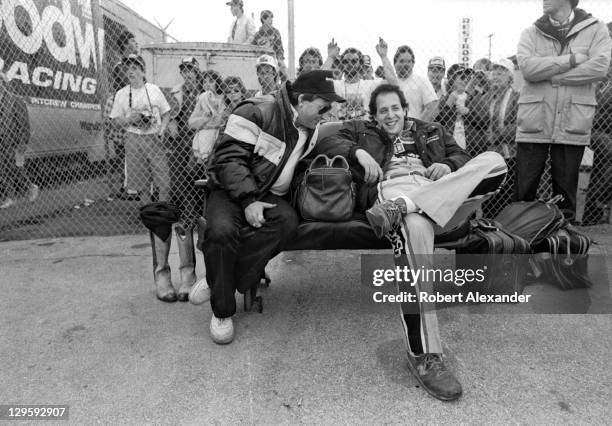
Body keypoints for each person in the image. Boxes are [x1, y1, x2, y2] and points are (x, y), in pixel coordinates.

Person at [318, 83, 507, 401]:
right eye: (382, 111)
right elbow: (326, 137)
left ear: (405, 108)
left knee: (495, 162)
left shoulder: (431, 129)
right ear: (374, 116)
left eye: (395, 108)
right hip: (392, 188)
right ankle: (425, 354)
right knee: (416, 229)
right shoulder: (362, 130)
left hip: (437, 191)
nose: (390, 115)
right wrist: (358, 151)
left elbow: (461, 155)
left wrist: (448, 166)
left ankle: (405, 208)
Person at [202, 70, 345, 344]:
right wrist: (248, 201)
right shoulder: (256, 110)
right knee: (221, 232)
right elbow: (229, 160)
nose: (326, 115)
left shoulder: (309, 126)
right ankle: (222, 311)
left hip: (269, 194)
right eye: (323, 108)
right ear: (302, 100)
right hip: (231, 190)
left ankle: (219, 281)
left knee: (287, 223)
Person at [515, 0, 612, 218]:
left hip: (572, 122)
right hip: (534, 121)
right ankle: (520, 245)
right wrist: (571, 60)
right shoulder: (530, 32)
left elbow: (599, 67)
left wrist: (556, 76)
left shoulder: (595, 29)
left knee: (566, 196)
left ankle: (562, 246)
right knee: (523, 193)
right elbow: (528, 69)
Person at [110, 55, 173, 300]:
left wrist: (162, 128)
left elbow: (166, 113)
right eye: (129, 68)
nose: (132, 72)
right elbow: (116, 121)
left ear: (143, 71)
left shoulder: (154, 90)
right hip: (133, 138)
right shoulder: (121, 94)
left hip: (153, 137)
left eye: (136, 68)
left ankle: (163, 213)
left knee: (163, 181)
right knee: (140, 184)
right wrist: (130, 119)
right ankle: (150, 217)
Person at [159, 57, 205, 301]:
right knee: (183, 207)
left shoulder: (206, 90)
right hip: (180, 153)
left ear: (197, 71)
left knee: (203, 206)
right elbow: (168, 118)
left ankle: (209, 275)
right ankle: (187, 276)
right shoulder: (174, 93)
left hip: (200, 151)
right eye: (185, 70)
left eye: (191, 70)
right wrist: (172, 123)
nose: (188, 74)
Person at [470, 59, 520, 217]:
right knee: (490, 195)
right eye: (494, 72)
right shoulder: (486, 97)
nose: (496, 76)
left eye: (501, 72)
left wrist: (496, 137)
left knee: (506, 194)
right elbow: (477, 118)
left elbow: (518, 126)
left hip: (510, 155)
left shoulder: (516, 97)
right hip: (490, 155)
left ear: (510, 77)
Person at [323, 38, 394, 120]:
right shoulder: (336, 85)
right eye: (346, 61)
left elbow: (393, 83)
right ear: (342, 65)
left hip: (365, 129)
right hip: (341, 129)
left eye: (354, 61)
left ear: (360, 64)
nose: (350, 64)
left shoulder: (370, 84)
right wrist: (330, 57)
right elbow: (317, 80)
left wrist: (384, 56)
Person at [583, 24, 612, 225]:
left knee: (606, 154)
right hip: (591, 130)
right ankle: (593, 206)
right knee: (600, 157)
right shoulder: (597, 82)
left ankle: (597, 200)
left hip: (602, 132)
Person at [0, 72, 38, 209]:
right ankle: (10, 198)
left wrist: (23, 142)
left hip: (14, 141)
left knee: (17, 167)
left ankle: (30, 187)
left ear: (3, 83)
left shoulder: (15, 100)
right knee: (3, 170)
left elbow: (24, 123)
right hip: (1, 142)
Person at [387, 45, 439, 121]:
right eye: (401, 61)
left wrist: (418, 127)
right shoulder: (390, 83)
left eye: (409, 61)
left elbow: (433, 107)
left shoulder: (421, 81)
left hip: (414, 129)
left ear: (413, 64)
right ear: (395, 64)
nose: (405, 64)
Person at [189, 70, 226, 165]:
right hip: (206, 138)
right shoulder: (202, 99)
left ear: (217, 83)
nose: (207, 85)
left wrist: (207, 124)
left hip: (221, 138)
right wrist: (203, 120)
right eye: (204, 82)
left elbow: (220, 121)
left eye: (211, 81)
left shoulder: (224, 99)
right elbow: (191, 123)